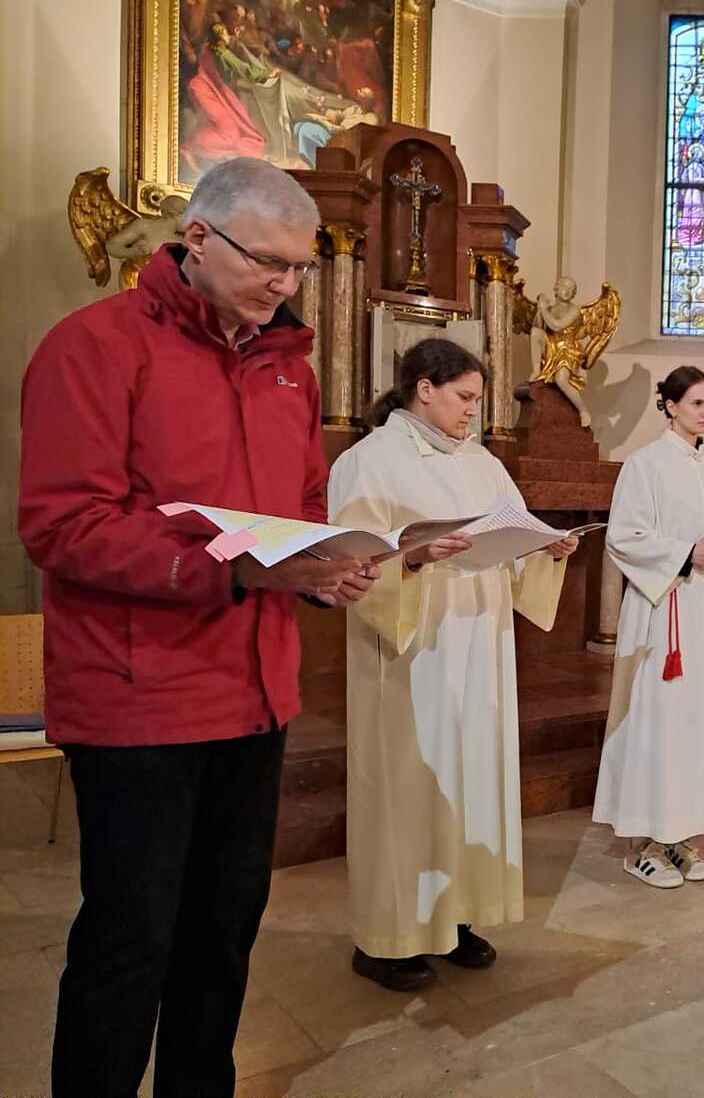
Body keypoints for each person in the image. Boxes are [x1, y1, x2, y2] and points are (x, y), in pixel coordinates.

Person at [19, 157, 377, 1097]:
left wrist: (321, 569)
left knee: (223, 934)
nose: (286, 284)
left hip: (255, 693)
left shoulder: (288, 368)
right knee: (131, 940)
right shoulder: (93, 346)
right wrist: (227, 568)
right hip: (139, 697)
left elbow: (302, 505)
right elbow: (63, 525)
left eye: (299, 267)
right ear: (198, 237)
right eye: (269, 261)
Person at [328, 339, 576, 992]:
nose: (473, 410)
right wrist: (411, 557)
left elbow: (512, 535)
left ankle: (457, 916)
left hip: (480, 645)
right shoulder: (369, 461)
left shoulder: (483, 462)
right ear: (423, 388)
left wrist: (545, 549)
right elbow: (349, 559)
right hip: (413, 650)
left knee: (472, 779)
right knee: (408, 786)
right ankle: (387, 938)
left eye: (477, 399)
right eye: (464, 397)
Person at [592, 366, 704, 887]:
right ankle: (642, 843)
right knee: (659, 723)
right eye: (696, 403)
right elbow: (623, 537)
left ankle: (678, 835)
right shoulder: (644, 465)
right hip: (666, 612)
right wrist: (686, 553)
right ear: (670, 405)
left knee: (697, 724)